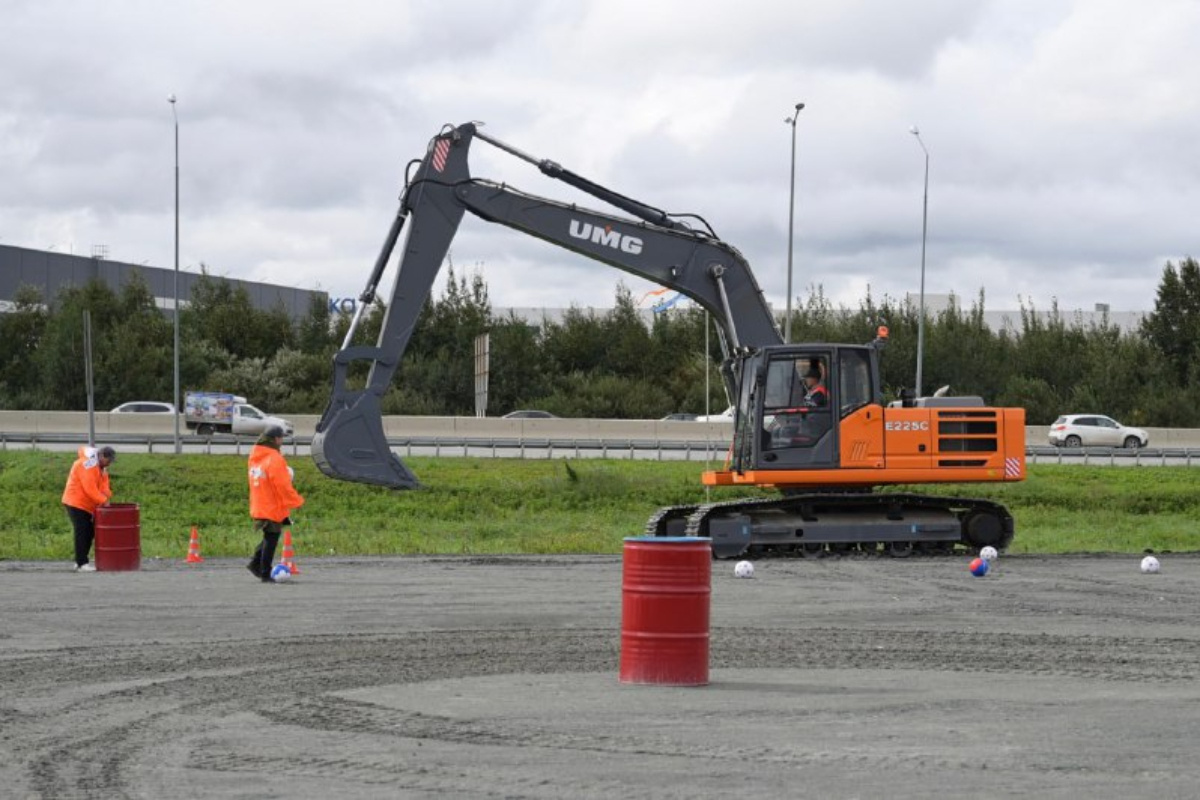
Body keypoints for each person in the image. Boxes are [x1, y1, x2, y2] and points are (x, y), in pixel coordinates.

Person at [247, 425, 304, 583]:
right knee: (272, 537)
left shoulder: (255, 456)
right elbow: (283, 485)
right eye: (281, 437)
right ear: (275, 439)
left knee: (269, 536)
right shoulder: (274, 458)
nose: (282, 441)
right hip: (272, 504)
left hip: (259, 501)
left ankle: (255, 564)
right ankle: (265, 572)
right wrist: (296, 501)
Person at [61, 445, 116, 572]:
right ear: (102, 456)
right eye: (109, 460)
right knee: (82, 531)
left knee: (89, 532)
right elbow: (89, 489)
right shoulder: (87, 465)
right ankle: (81, 563)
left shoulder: (102, 468)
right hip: (75, 501)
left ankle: (80, 561)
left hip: (86, 505)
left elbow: (104, 486)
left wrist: (107, 495)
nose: (110, 464)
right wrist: (103, 500)